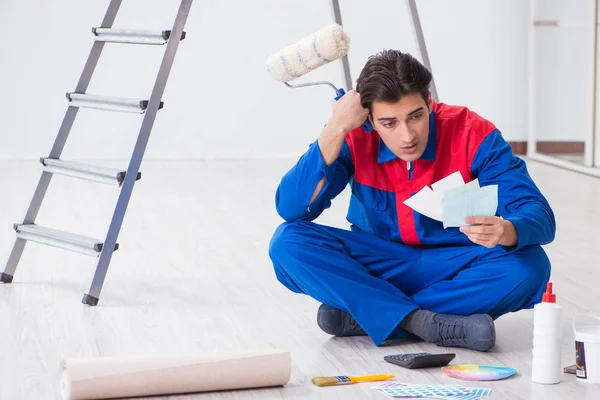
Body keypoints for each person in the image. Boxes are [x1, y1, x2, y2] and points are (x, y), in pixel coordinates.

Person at [268, 50, 555, 352]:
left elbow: (538, 215)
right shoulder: (353, 136)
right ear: (369, 119)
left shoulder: (472, 133)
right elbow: (292, 209)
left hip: (455, 263)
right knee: (287, 243)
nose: (407, 136)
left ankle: (369, 314)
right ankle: (426, 323)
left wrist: (507, 229)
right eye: (389, 123)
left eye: (415, 117)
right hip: (381, 263)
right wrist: (335, 128)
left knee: (530, 266)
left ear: (429, 102)